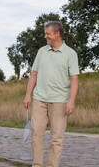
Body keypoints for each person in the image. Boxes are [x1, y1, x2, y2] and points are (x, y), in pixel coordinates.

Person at [23, 21, 79, 167]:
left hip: (60, 101)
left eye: (48, 33)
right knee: (36, 134)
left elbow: (74, 79)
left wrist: (71, 101)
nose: (45, 36)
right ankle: (37, 165)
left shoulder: (70, 54)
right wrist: (28, 94)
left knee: (56, 138)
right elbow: (34, 74)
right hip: (40, 99)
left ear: (57, 34)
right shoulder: (42, 51)